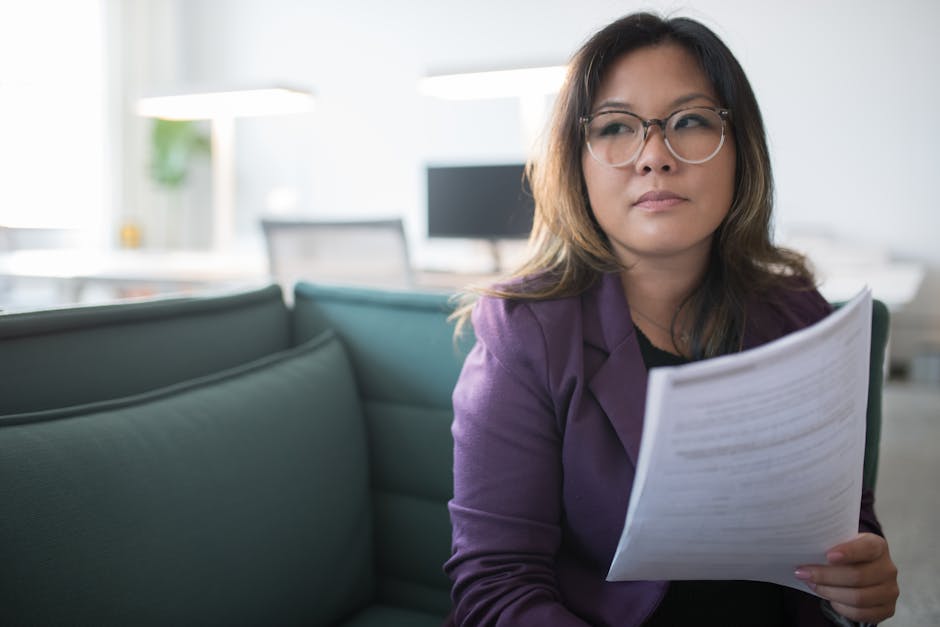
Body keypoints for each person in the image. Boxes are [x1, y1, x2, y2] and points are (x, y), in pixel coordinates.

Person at [444, 12, 899, 627]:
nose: (654, 156)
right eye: (614, 127)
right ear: (575, 163)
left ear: (741, 150)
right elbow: (495, 588)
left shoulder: (798, 312)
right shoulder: (524, 333)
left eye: (689, 122)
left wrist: (858, 578)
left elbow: (844, 521)